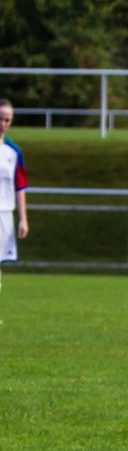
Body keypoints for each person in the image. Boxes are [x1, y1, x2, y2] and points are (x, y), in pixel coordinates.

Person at [0, 99, 31, 317]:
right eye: (0, 118)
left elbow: (20, 186)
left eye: (6, 119)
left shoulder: (13, 151)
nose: (2, 123)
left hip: (3, 214)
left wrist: (23, 219)